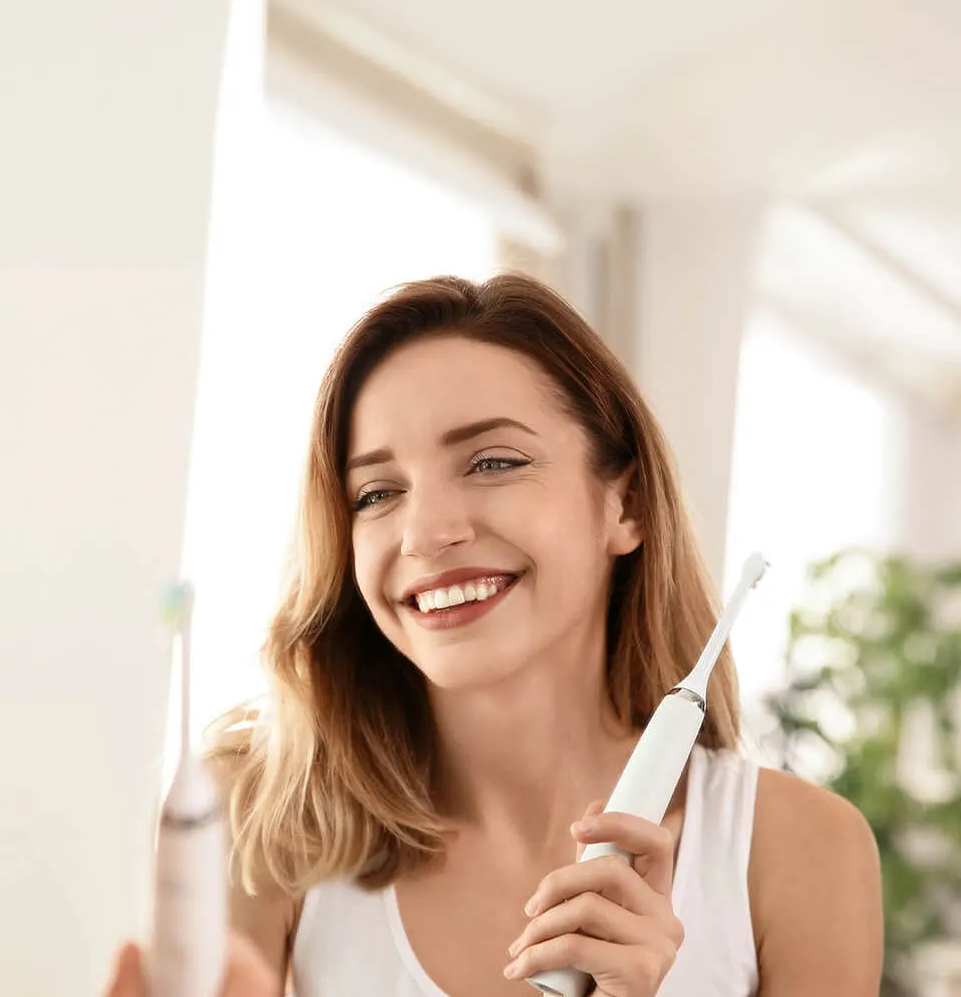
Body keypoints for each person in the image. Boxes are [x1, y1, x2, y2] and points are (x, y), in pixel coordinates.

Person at [105, 274, 883, 996]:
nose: (426, 532)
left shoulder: (798, 851)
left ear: (628, 505)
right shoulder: (264, 817)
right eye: (376, 492)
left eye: (492, 462)